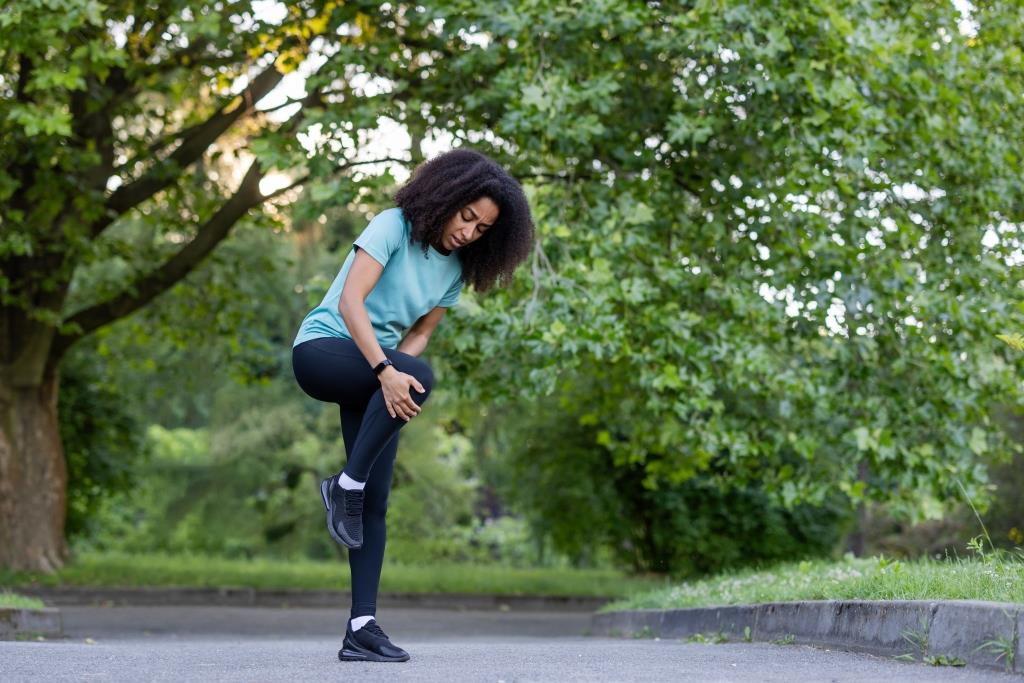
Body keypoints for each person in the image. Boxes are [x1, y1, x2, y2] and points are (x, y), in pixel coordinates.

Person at [290, 148, 535, 663]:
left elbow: (420, 334)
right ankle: (344, 484)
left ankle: (361, 627)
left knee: (375, 500)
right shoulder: (392, 226)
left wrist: (392, 378)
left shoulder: (455, 271)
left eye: (483, 228)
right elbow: (350, 303)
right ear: (447, 197)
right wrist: (389, 371)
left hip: (375, 373)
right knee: (418, 379)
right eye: (466, 216)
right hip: (325, 350)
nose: (469, 232)